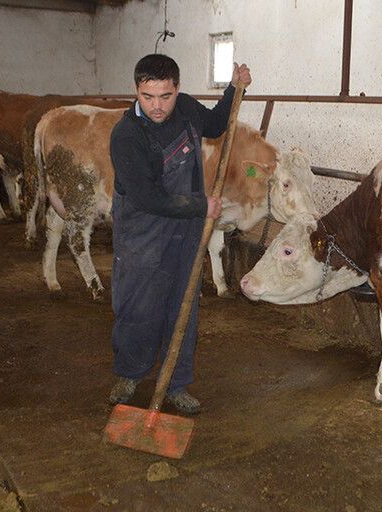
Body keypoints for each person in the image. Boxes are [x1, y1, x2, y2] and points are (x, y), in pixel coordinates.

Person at [108, 54, 251, 414]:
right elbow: (147, 197)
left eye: (165, 96)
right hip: (142, 233)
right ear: (136, 91)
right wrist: (202, 206)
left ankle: (176, 383)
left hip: (185, 233)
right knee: (137, 306)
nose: (157, 106)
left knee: (182, 306)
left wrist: (235, 88)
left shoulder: (186, 109)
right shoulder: (126, 136)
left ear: (177, 89)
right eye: (147, 96)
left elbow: (217, 124)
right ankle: (130, 373)